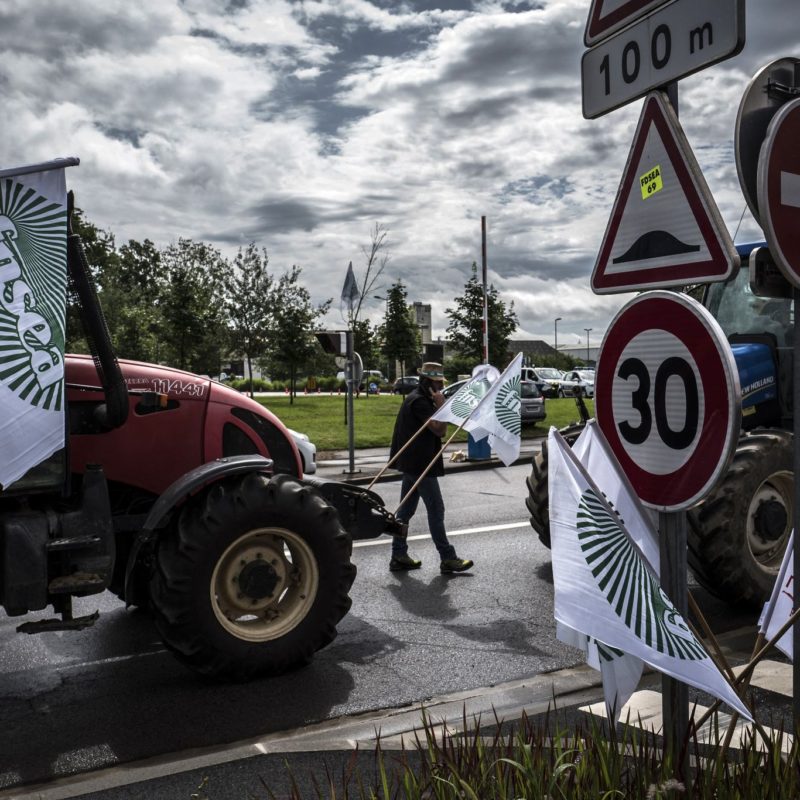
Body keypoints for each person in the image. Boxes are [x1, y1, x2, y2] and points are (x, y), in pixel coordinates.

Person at [388, 362, 474, 574]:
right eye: (437, 383)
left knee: (405, 512)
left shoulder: (416, 398)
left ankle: (398, 555)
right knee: (436, 509)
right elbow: (439, 430)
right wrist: (442, 406)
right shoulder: (419, 401)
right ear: (428, 382)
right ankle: (447, 557)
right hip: (420, 465)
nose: (441, 387)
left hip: (413, 464)